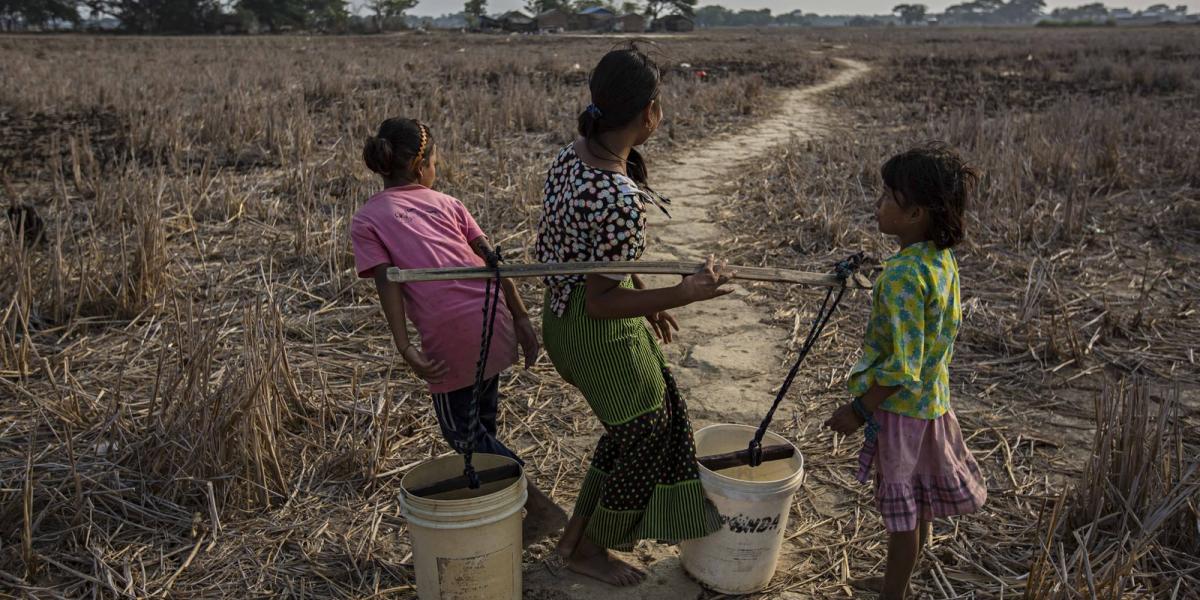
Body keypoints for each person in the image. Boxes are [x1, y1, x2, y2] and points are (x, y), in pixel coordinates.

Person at [535, 44, 736, 587]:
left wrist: (644, 294)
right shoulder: (619, 195)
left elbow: (598, 259)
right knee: (646, 432)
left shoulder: (573, 155)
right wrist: (685, 293)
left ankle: (576, 538)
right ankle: (591, 548)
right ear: (650, 113)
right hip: (594, 329)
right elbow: (602, 298)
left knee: (641, 425)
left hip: (563, 319)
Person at [350, 117, 567, 543]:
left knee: (463, 436)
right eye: (435, 161)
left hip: (451, 336)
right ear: (420, 166)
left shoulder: (368, 218)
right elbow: (493, 259)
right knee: (483, 424)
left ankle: (537, 507)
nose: (437, 168)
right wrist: (521, 317)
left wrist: (404, 346)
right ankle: (495, 505)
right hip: (492, 319)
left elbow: (387, 284)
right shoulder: (449, 203)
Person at [824, 142, 988, 600]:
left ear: (914, 214)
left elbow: (901, 367)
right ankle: (902, 574)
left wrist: (858, 409)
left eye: (886, 197)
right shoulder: (940, 260)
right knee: (919, 502)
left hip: (901, 412)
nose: (877, 204)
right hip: (933, 405)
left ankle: (893, 592)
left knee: (903, 518)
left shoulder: (901, 276)